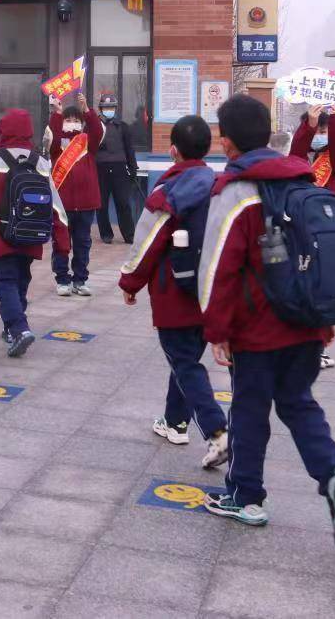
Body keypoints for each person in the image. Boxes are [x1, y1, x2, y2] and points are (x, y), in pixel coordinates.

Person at [196, 94, 335, 553]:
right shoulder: (303, 179)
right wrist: (324, 321)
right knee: (299, 403)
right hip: (306, 322)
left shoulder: (235, 191)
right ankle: (334, 477)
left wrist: (217, 331)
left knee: (249, 409)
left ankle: (245, 497)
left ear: (226, 143)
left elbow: (218, 268)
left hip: (256, 330)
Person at [118, 115, 229, 468]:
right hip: (213, 291)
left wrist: (130, 282)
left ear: (173, 151)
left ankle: (217, 432)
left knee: (183, 361)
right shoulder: (222, 187)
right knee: (185, 359)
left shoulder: (168, 192)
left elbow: (147, 243)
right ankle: (175, 422)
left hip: (175, 293)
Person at [0, 108, 70, 359]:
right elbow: (57, 207)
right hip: (32, 234)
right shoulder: (42, 163)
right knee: (21, 280)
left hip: (0, 234)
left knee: (5, 282)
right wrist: (63, 242)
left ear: (4, 131)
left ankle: (20, 328)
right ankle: (11, 329)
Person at [290, 105, 335, 369]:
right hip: (303, 234)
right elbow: (296, 152)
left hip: (331, 236)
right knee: (304, 290)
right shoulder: (300, 165)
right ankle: (302, 342)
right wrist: (309, 125)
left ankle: (320, 346)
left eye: (323, 130)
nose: (320, 134)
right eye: (317, 129)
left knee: (326, 292)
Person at [47, 94, 103, 296]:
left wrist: (87, 110)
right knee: (61, 243)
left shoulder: (88, 143)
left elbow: (97, 130)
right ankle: (62, 279)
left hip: (86, 203)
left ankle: (80, 280)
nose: (72, 123)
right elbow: (51, 137)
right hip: (62, 205)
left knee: (83, 243)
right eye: (68, 120)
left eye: (76, 120)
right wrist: (57, 114)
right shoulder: (56, 146)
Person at [94, 92, 142, 245]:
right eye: (106, 107)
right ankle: (106, 234)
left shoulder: (123, 127)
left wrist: (133, 169)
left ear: (115, 108)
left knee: (123, 203)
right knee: (101, 204)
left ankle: (129, 235)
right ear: (101, 109)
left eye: (111, 107)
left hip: (119, 169)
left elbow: (130, 150)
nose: (109, 109)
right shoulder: (94, 126)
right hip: (100, 168)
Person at [291, 105, 335, 201]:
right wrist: (310, 125)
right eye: (314, 132)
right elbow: (297, 149)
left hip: (334, 208)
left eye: (322, 132)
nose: (317, 136)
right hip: (307, 209)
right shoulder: (301, 156)